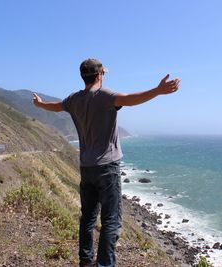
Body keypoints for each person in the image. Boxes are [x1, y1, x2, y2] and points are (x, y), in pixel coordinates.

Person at [32, 58, 180, 267]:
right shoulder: (105, 96)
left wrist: (39, 105)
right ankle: (105, 264)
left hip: (86, 168)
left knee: (88, 218)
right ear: (100, 75)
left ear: (83, 76)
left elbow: (55, 107)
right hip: (107, 168)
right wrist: (157, 90)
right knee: (111, 220)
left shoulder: (73, 99)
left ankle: (86, 261)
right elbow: (130, 99)